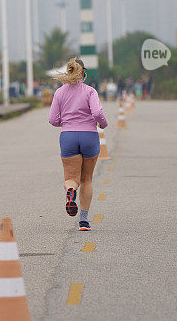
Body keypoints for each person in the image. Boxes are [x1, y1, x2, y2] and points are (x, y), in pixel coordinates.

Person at [48, 58, 109, 232]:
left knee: (71, 179)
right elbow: (97, 112)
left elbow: (52, 119)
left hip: (68, 136)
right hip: (89, 135)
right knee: (87, 179)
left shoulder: (59, 93)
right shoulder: (90, 91)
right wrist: (103, 124)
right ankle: (83, 221)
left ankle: (71, 192)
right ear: (84, 73)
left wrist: (66, 123)